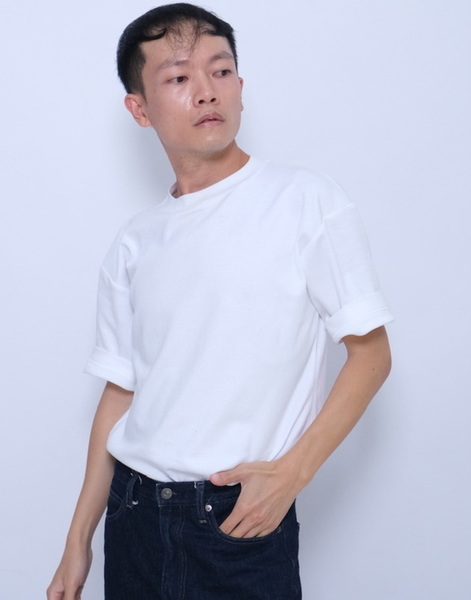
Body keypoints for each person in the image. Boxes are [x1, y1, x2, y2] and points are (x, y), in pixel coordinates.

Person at [47, 3, 393, 599]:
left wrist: (292, 474)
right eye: (179, 77)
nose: (207, 91)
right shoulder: (135, 242)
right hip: (134, 518)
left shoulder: (304, 201)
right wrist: (78, 539)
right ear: (139, 109)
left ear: (240, 86)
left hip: (236, 523)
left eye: (221, 70)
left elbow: (372, 353)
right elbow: (120, 393)